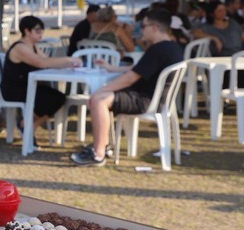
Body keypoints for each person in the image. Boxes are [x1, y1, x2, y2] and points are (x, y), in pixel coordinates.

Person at [70, 9, 183, 166]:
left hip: (145, 101)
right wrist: (112, 68)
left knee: (99, 100)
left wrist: (101, 90)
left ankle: (98, 153)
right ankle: (103, 145)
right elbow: (137, 69)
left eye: (143, 26)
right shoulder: (172, 48)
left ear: (154, 28)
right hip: (159, 100)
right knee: (101, 97)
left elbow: (129, 79)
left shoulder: (157, 50)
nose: (140, 30)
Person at [2, 16, 82, 142]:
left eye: (41, 30)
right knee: (49, 100)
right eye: (37, 30)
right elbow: (41, 63)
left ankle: (27, 124)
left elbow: (48, 61)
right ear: (27, 31)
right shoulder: (20, 48)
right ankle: (28, 126)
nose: (41, 34)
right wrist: (68, 59)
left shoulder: (33, 47)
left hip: (29, 87)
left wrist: (69, 65)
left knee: (59, 98)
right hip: (14, 90)